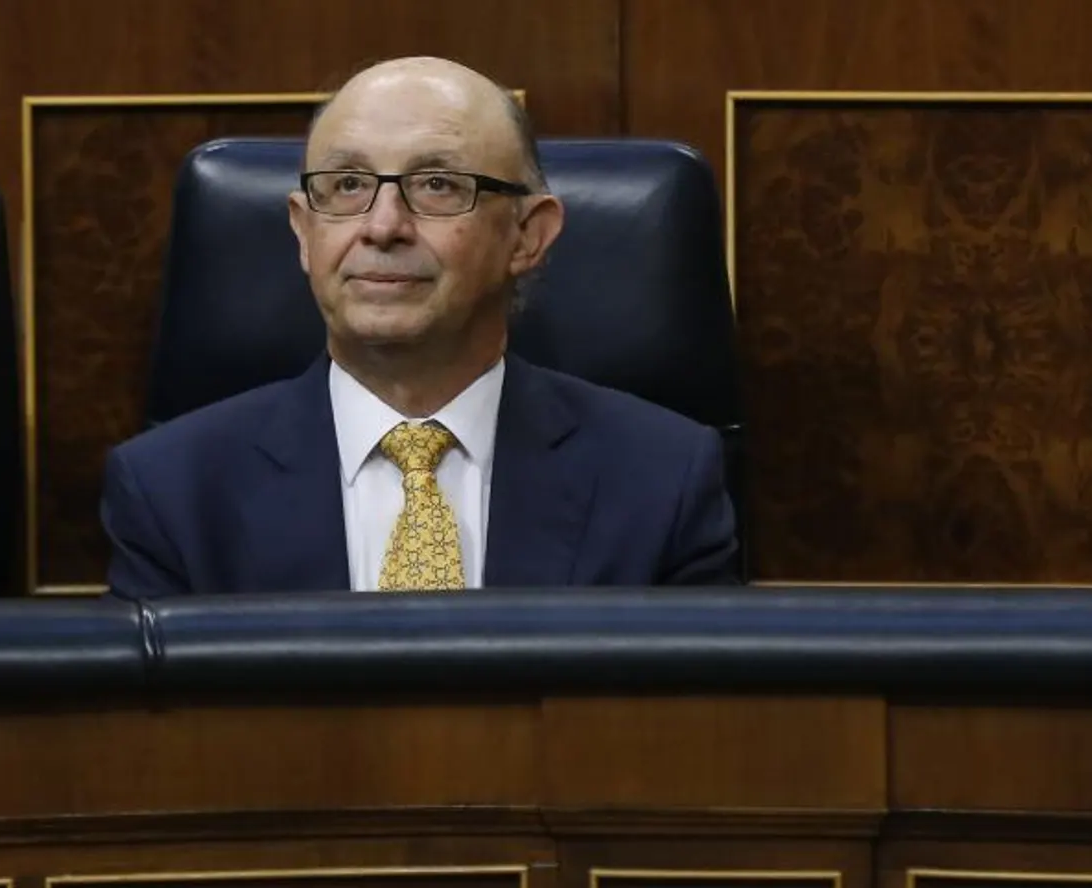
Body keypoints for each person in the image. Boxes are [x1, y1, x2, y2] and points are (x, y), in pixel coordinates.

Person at [98, 55, 739, 599]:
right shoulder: (171, 493)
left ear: (528, 235)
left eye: (437, 184)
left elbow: (690, 739)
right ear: (303, 231)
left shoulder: (663, 481)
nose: (382, 226)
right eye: (347, 185)